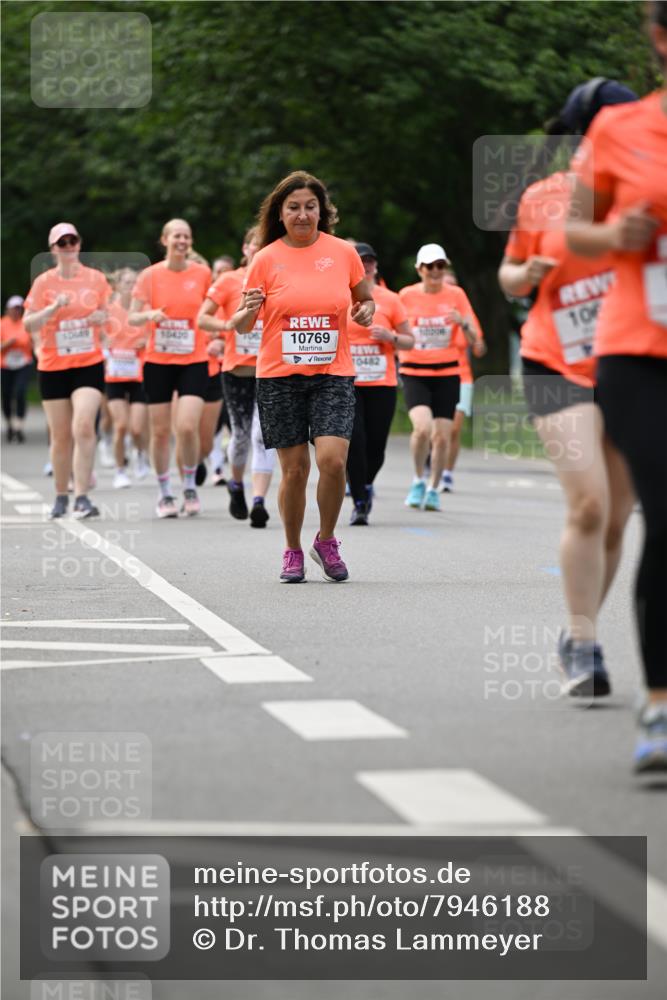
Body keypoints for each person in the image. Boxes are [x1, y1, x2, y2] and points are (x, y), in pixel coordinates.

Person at [499, 79, 639, 703]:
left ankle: (577, 634)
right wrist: (522, 274)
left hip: (627, 362)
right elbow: (508, 274)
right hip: (554, 360)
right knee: (588, 505)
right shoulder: (543, 198)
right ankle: (585, 644)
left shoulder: (648, 197)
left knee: (614, 519)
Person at [566, 11, 667, 771]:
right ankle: (660, 704)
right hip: (641, 352)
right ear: (660, 37)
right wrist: (615, 237)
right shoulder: (621, 130)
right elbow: (576, 233)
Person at [233, 171, 375, 581]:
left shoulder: (343, 253)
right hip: (279, 376)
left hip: (332, 373)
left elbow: (364, 300)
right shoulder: (265, 259)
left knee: (332, 461)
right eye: (293, 207)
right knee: (294, 470)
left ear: (322, 211)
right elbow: (243, 325)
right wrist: (247, 309)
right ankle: (292, 548)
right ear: (280, 212)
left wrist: (366, 310)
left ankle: (326, 540)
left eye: (310, 207)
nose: (302, 214)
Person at [23, 223, 110, 519]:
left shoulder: (96, 279)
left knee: (84, 426)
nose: (68, 246)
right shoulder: (44, 283)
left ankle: (83, 496)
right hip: (53, 366)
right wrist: (52, 309)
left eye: (72, 240)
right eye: (62, 242)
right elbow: (28, 324)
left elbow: (110, 315)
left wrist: (102, 317)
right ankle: (61, 495)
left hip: (88, 363)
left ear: (79, 244)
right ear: (53, 249)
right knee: (61, 436)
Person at [129, 219, 211, 518]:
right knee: (161, 432)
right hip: (158, 361)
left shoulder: (203, 274)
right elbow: (132, 317)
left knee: (188, 427)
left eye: (186, 236)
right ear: (164, 240)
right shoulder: (149, 276)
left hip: (194, 358)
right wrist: (149, 314)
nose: (182, 241)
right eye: (176, 235)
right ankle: (164, 492)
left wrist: (216, 334)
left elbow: (214, 310)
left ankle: (189, 484)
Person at [198, 226, 276, 527]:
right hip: (236, 371)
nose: (260, 252)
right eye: (255, 247)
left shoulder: (279, 280)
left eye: (265, 247)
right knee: (241, 437)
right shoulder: (229, 281)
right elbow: (202, 317)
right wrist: (227, 325)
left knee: (261, 436)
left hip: (270, 371)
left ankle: (259, 501)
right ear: (245, 250)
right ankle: (235, 483)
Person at [398, 244, 482, 512]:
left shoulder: (456, 294)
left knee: (443, 437)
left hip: (448, 372)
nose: (435, 271)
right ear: (420, 269)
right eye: (430, 266)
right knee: (422, 429)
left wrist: (463, 322)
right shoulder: (406, 296)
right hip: (415, 373)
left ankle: (434, 488)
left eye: (440, 266)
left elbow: (478, 344)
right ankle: (418, 479)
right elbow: (396, 330)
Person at [346, 243, 414, 525]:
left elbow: (410, 339)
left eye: (371, 261)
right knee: (355, 441)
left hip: (382, 382)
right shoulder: (340, 295)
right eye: (362, 261)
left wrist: (391, 337)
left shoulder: (392, 299)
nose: (367, 265)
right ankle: (360, 501)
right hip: (347, 381)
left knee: (376, 445)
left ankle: (366, 483)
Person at [440, 267, 487, 491]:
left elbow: (479, 348)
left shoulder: (465, 315)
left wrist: (463, 323)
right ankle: (435, 464)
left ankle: (447, 473)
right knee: (436, 428)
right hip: (434, 374)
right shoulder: (428, 310)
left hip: (461, 375)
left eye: (453, 285)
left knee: (454, 428)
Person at [105, 268, 149, 488]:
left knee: (137, 428)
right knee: (120, 426)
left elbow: (154, 334)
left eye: (134, 283)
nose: (131, 286)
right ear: (117, 285)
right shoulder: (108, 311)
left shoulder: (143, 311)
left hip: (138, 374)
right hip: (114, 375)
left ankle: (141, 453)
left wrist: (147, 343)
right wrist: (105, 347)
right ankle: (120, 470)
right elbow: (99, 337)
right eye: (127, 282)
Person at [1, 295, 33, 443]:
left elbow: (34, 343)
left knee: (20, 392)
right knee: (6, 395)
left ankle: (19, 426)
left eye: (19, 308)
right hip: (5, 365)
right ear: (8, 310)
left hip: (23, 364)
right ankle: (9, 424)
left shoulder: (26, 324)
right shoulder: (2, 324)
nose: (16, 311)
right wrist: (8, 343)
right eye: (14, 308)